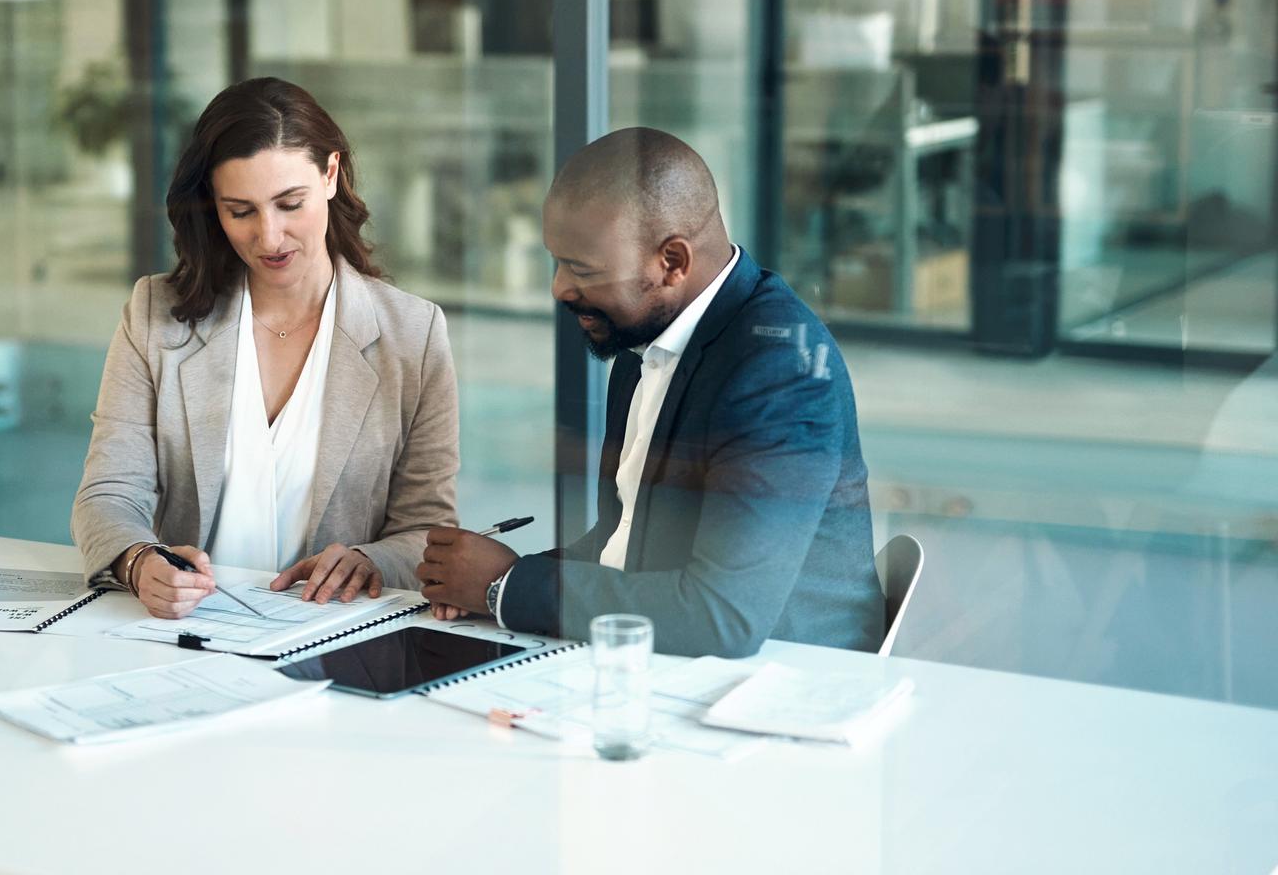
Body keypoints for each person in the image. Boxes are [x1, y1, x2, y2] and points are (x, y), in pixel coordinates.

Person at [417, 127, 884, 657]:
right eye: (557, 260)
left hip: (784, 684)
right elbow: (625, 539)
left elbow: (721, 617)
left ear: (673, 262)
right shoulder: (648, 339)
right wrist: (492, 579)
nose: (559, 288)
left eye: (582, 269)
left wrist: (507, 587)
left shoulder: (779, 373)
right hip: (675, 666)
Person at [73, 77, 459, 619]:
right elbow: (108, 494)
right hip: (185, 633)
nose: (270, 237)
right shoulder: (154, 315)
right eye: (241, 211)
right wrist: (139, 561)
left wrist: (371, 561)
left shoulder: (413, 334)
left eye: (289, 203)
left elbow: (427, 529)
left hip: (335, 636)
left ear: (330, 174)